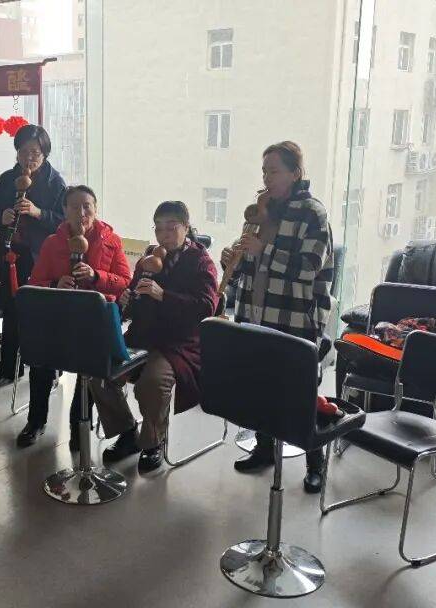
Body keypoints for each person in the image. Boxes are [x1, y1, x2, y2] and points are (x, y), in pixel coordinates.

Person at [220, 141, 335, 493]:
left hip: (295, 316)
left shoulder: (312, 214)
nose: (267, 178)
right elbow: (250, 265)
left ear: (295, 173)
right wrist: (233, 261)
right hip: (254, 311)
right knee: (262, 385)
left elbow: (308, 268)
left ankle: (315, 462)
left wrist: (264, 250)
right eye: (264, 171)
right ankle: (264, 448)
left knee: (300, 390)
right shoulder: (259, 210)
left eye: (274, 171)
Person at [91, 201, 218, 473]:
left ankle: (152, 442)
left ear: (186, 227)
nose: (164, 235)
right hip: (141, 335)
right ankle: (127, 432)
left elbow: (207, 307)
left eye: (171, 227)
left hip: (178, 343)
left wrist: (163, 295)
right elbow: (134, 300)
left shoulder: (201, 261)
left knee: (152, 382)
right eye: (158, 228)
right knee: (99, 374)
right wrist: (127, 300)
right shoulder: (150, 257)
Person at [16, 185, 131, 447]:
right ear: (65, 211)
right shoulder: (52, 242)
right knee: (41, 361)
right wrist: (55, 284)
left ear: (95, 208)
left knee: (89, 368)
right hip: (59, 319)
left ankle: (78, 426)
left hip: (96, 321)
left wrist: (97, 276)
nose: (82, 213)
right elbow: (35, 282)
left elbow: (125, 282)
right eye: (75, 207)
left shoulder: (111, 241)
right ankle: (36, 421)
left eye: (87, 206)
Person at [0, 125, 68, 389]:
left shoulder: (56, 183)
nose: (28, 158)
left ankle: (49, 370)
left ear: (45, 153)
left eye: (35, 152)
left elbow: (64, 223)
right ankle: (9, 369)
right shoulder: (7, 178)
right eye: (23, 152)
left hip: (42, 259)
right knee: (11, 312)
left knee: (44, 315)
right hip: (12, 256)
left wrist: (37, 212)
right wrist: (1, 216)